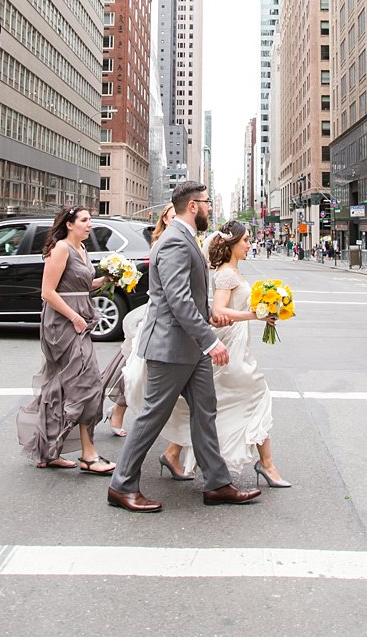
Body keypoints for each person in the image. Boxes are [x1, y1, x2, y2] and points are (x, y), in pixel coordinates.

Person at [107, 182, 261, 513]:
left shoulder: (187, 238)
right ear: (193, 206)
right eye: (206, 203)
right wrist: (209, 341)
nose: (210, 209)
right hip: (171, 347)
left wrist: (212, 316)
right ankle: (121, 486)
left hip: (189, 347)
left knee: (205, 412)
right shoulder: (175, 241)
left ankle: (217, 484)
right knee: (152, 416)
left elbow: (190, 294)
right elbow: (176, 300)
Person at [159, 221, 287, 487]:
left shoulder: (234, 271)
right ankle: (267, 465)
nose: (250, 244)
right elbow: (218, 312)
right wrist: (256, 314)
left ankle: (172, 453)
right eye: (246, 241)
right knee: (255, 393)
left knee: (214, 402)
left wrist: (265, 306)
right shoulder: (226, 275)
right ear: (231, 244)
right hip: (227, 343)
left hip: (239, 342)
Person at [17, 206, 117, 474]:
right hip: (61, 324)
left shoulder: (82, 250)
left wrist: (107, 278)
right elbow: (47, 292)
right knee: (88, 382)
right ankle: (88, 453)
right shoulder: (61, 248)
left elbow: (81, 285)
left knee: (60, 387)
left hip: (79, 319)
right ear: (70, 224)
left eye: (90, 220)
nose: (89, 225)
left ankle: (49, 451)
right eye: (84, 220)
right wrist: (73, 316)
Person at [104, 203, 177, 438]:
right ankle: (118, 410)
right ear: (164, 219)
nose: (176, 220)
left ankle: (172, 429)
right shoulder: (163, 243)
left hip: (170, 315)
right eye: (172, 216)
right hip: (158, 315)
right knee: (138, 367)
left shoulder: (183, 239)